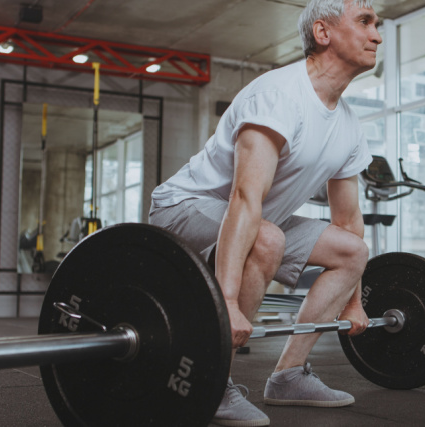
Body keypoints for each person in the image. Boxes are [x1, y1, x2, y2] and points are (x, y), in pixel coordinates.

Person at [149, 0, 382, 425]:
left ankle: (289, 376)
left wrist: (354, 303)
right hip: (180, 210)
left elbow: (348, 222)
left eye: (377, 25)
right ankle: (212, 380)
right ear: (323, 33)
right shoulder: (278, 94)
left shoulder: (348, 124)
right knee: (266, 236)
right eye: (365, 22)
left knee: (351, 250)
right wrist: (231, 303)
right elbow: (244, 197)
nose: (377, 35)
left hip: (252, 220)